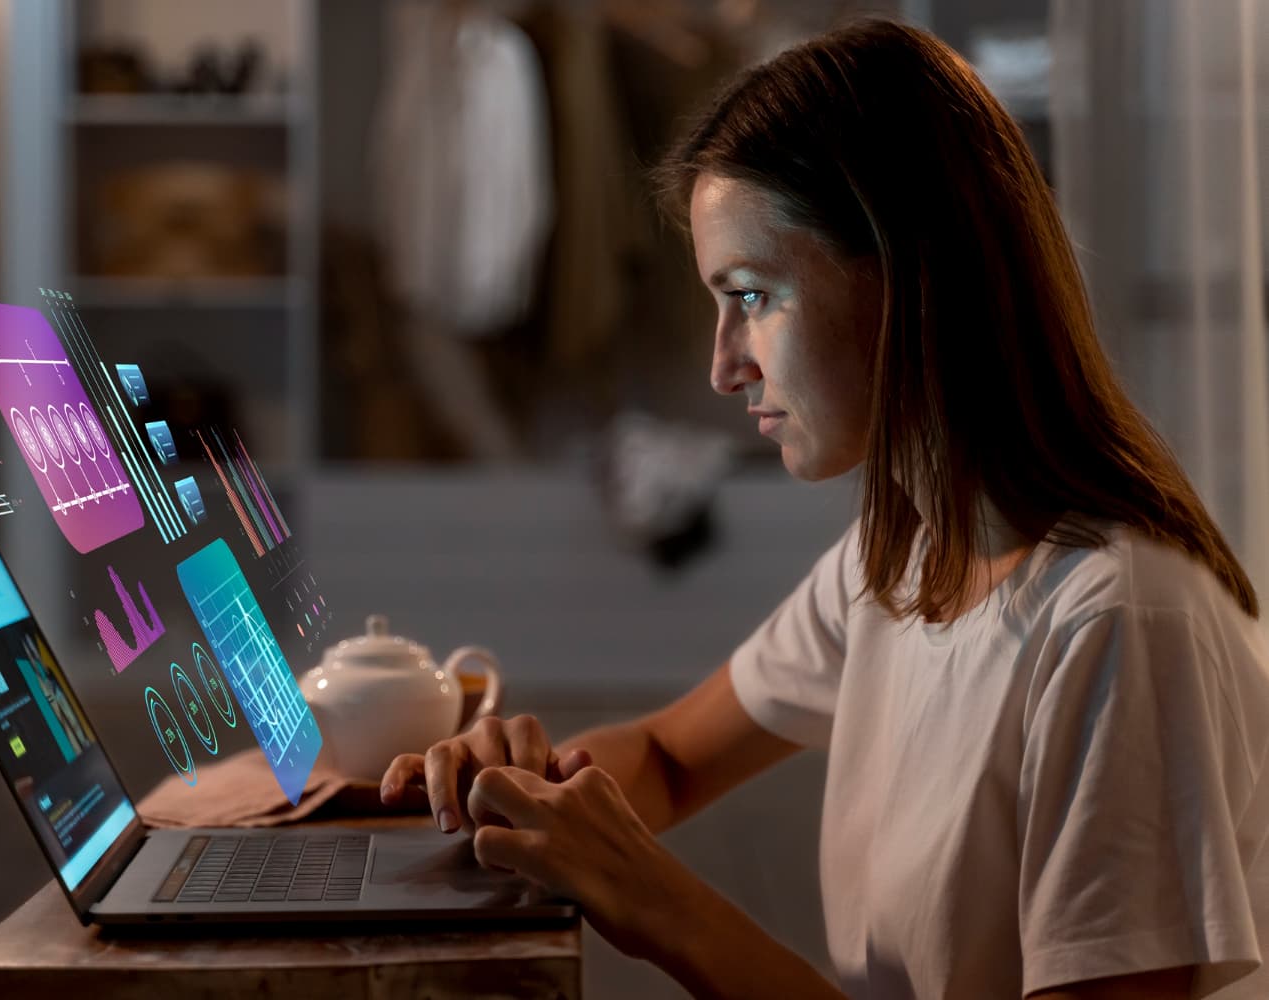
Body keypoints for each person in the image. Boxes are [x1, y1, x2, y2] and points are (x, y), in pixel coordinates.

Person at [379, 18, 1269, 1000]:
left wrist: (665, 907)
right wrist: (526, 789)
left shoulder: (1113, 627)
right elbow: (672, 757)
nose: (723, 368)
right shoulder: (898, 563)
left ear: (903, 273)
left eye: (753, 297)